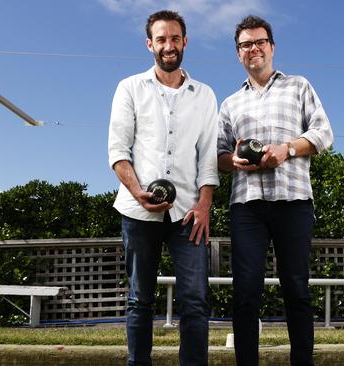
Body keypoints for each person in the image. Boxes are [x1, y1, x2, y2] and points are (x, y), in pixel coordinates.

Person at [217, 15, 334, 366]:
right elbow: (218, 155)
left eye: (259, 42)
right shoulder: (230, 104)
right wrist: (233, 161)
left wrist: (287, 149)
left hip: (293, 200)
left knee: (296, 288)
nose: (253, 49)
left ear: (271, 47)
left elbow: (324, 133)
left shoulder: (299, 86)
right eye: (245, 45)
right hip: (247, 206)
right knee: (246, 292)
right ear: (238, 53)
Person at [108, 10, 219, 366]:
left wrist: (204, 206)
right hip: (137, 210)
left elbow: (208, 159)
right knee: (140, 298)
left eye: (175, 38)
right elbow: (118, 150)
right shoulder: (129, 88)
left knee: (195, 299)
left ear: (185, 42)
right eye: (161, 39)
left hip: (189, 213)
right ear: (149, 45)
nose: (168, 46)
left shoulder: (204, 95)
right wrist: (137, 190)